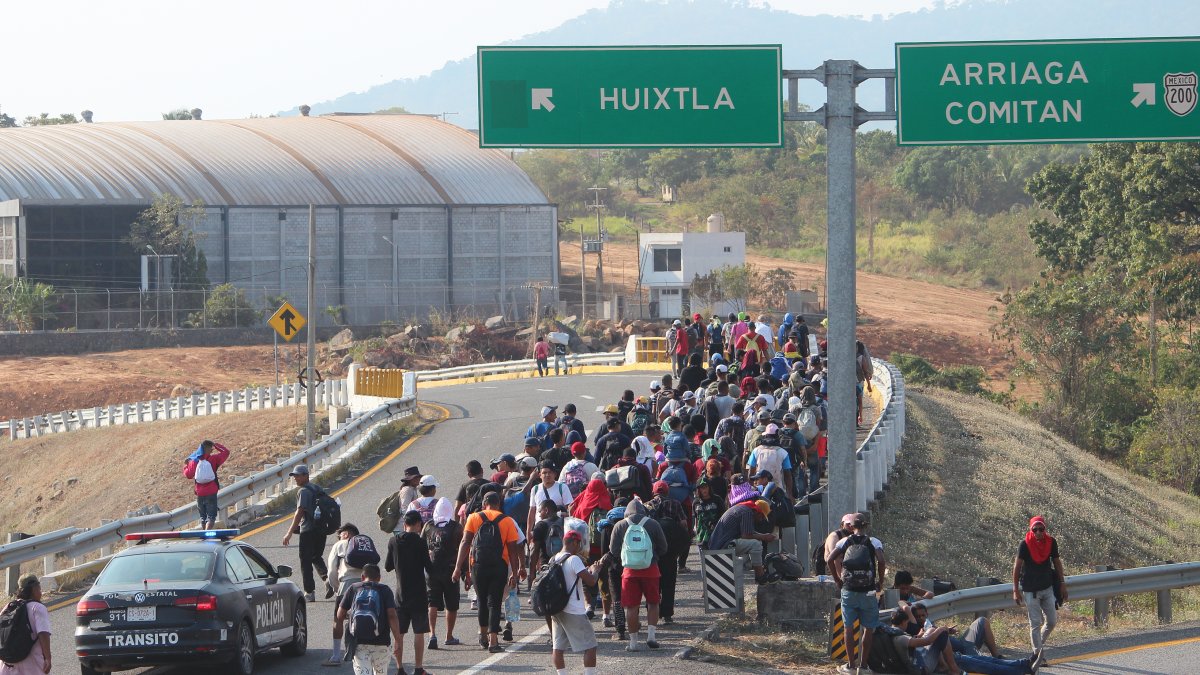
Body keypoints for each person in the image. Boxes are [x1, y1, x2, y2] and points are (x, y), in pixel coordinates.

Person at [453, 491, 524, 653]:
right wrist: (514, 571)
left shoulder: (473, 517)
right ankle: (493, 641)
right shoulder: (506, 521)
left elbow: (465, 543)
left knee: (482, 601)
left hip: (478, 565)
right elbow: (513, 549)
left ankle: (483, 636)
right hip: (499, 565)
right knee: (495, 602)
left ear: (484, 504)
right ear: (499, 504)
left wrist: (458, 568)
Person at [884, 611, 1039, 675]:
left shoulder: (895, 634)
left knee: (987, 661)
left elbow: (921, 643)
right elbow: (926, 642)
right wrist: (940, 630)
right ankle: (1022, 668)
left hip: (945, 657)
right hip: (943, 662)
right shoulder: (899, 637)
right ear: (903, 622)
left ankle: (1024, 664)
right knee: (987, 666)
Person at [826, 513, 887, 674]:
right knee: (868, 628)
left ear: (852, 527)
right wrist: (880, 581)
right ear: (866, 526)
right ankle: (864, 666)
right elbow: (881, 560)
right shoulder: (873, 541)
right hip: (868, 591)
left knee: (848, 628)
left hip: (849, 590)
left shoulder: (844, 541)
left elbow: (829, 559)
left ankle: (851, 666)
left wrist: (837, 579)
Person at [608, 498, 668, 651]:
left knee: (631, 607)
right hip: (651, 569)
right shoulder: (653, 524)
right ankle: (651, 636)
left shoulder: (620, 525)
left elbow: (613, 550)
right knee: (653, 603)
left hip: (629, 572)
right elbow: (663, 547)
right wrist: (653, 557)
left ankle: (633, 643)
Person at [383, 510, 433, 673]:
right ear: (418, 524)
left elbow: (388, 566)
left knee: (399, 633)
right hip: (418, 594)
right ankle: (418, 668)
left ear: (405, 524)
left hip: (400, 595)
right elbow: (429, 568)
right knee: (419, 631)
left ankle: (399, 668)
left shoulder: (393, 541)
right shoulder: (420, 542)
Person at [548, 529, 602, 675]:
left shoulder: (554, 559)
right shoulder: (574, 559)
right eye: (579, 544)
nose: (580, 548)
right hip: (573, 610)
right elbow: (590, 581)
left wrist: (587, 570)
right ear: (574, 542)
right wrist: (595, 571)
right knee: (590, 645)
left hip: (557, 608)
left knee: (558, 648)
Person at [1013, 516, 1065, 663]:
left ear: (1045, 529)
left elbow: (1056, 562)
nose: (1038, 532)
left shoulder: (1051, 542)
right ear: (1031, 529)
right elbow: (1017, 567)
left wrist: (1062, 583)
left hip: (1047, 588)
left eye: (1041, 529)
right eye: (1035, 529)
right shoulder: (1024, 544)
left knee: (1052, 621)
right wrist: (1015, 590)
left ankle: (1038, 646)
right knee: (1035, 624)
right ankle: (1038, 656)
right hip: (1031, 590)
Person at [334, 564, 404, 675]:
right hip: (382, 642)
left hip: (359, 643)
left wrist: (352, 616)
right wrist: (398, 640)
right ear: (379, 578)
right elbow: (392, 616)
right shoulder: (385, 590)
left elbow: (339, 615)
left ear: (362, 577)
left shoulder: (354, 588)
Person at [281, 464, 331, 602]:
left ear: (306, 475)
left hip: (308, 530)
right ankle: (327, 579)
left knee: (305, 561)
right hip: (321, 529)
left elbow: (300, 512)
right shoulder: (318, 488)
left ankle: (309, 592)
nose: (295, 478)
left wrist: (289, 532)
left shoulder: (303, 491)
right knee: (316, 556)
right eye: (294, 476)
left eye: (298, 475)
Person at [645, 481, 689, 625]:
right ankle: (667, 615)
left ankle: (653, 612)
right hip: (670, 549)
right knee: (669, 582)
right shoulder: (675, 504)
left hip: (653, 550)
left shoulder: (647, 505)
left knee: (653, 582)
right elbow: (684, 524)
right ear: (667, 491)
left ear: (654, 491)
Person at [324, 523, 367, 665]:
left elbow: (331, 570)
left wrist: (337, 588)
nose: (339, 537)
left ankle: (336, 656)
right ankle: (364, 654)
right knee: (365, 616)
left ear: (346, 534)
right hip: (365, 585)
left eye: (340, 534)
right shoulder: (364, 544)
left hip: (347, 584)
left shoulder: (340, 544)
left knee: (338, 618)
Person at [423, 499, 463, 650]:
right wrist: (464, 572)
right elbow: (462, 549)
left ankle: (432, 634)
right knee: (451, 604)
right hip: (451, 570)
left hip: (432, 571)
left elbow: (422, 546)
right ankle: (449, 635)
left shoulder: (428, 526)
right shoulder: (456, 527)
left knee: (432, 603)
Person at [707, 498, 775, 584]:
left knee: (755, 544)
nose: (761, 520)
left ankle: (757, 571)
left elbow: (749, 532)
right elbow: (746, 536)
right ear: (758, 512)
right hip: (722, 545)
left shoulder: (744, 508)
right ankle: (760, 576)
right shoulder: (747, 512)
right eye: (762, 516)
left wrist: (764, 535)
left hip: (719, 543)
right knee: (756, 544)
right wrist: (764, 537)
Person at [0, 573, 51, 675]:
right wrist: (48, 658)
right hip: (32, 666)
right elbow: (43, 634)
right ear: (34, 589)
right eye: (39, 588)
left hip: (8, 666)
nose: (41, 592)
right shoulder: (37, 608)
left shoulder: (9, 607)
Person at [183, 439, 230, 530]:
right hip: (212, 491)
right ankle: (207, 535)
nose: (212, 450)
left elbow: (188, 475)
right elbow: (226, 452)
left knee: (203, 518)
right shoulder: (214, 459)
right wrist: (216, 445)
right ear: (209, 449)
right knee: (211, 517)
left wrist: (185, 466)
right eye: (211, 449)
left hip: (199, 492)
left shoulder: (195, 461)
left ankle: (205, 535)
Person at [528, 461, 574, 534]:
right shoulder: (535, 489)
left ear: (555, 474)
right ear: (540, 475)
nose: (547, 475)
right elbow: (532, 511)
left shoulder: (562, 488)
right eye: (544, 473)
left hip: (557, 531)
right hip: (539, 530)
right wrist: (528, 532)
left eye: (550, 472)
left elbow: (570, 509)